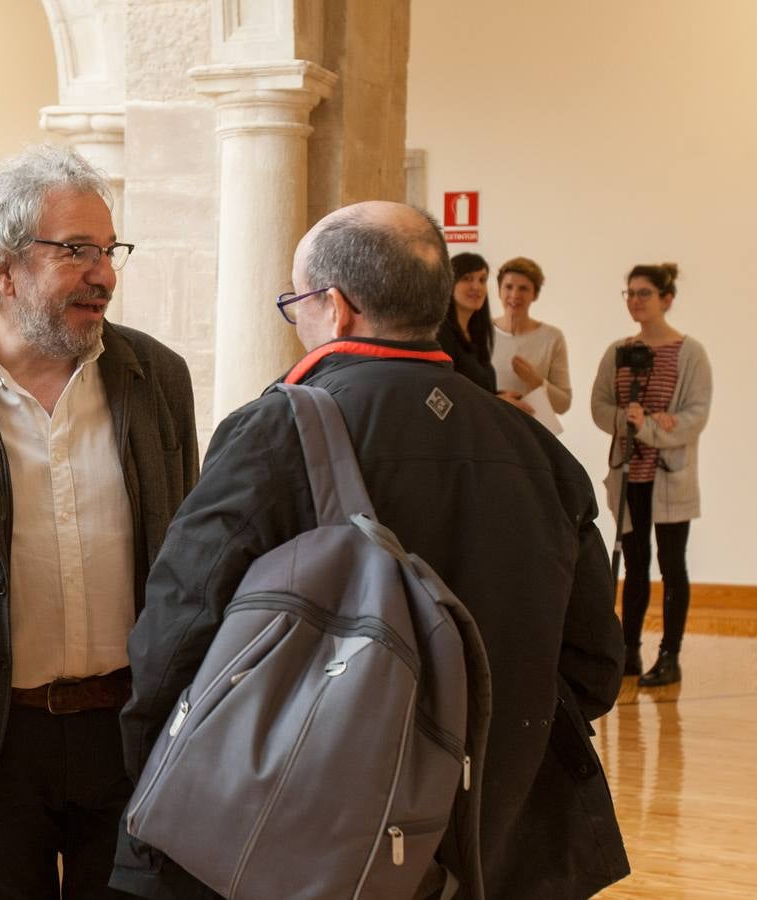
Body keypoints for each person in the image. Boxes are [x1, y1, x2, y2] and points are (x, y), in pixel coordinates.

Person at [116, 201, 629, 899]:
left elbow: (179, 626)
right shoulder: (539, 452)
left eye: (294, 303)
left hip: (314, 835)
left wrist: (150, 758)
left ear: (335, 305)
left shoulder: (275, 432)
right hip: (492, 839)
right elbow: (596, 666)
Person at [0, 144, 199, 899]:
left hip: (130, 733)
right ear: (3, 266)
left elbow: (189, 563)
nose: (103, 273)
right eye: (76, 250)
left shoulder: (155, 378)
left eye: (109, 251)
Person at [590, 263, 711, 688]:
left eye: (644, 293)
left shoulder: (689, 352)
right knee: (634, 565)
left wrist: (649, 428)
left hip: (670, 477)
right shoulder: (618, 351)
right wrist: (628, 420)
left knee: (672, 565)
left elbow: (695, 416)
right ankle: (628, 651)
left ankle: (671, 655)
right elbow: (600, 406)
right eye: (630, 293)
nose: (636, 301)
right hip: (629, 478)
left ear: (667, 298)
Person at [492, 256, 572, 416]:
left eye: (523, 289)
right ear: (499, 291)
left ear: (535, 294)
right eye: (508, 287)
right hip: (491, 430)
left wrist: (536, 381)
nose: (514, 295)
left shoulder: (552, 338)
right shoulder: (480, 333)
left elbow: (563, 404)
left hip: (534, 435)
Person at [437, 251, 496, 391]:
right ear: (450, 284)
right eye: (467, 278)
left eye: (482, 280)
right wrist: (497, 401)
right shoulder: (441, 332)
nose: (477, 287)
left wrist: (500, 397)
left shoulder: (477, 332)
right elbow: (445, 391)